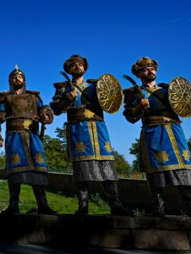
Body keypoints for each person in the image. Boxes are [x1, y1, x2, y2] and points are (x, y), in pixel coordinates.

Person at [123, 57, 191, 217]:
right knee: (155, 169)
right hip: (152, 132)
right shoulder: (133, 93)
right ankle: (159, 208)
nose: (150, 71)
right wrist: (139, 108)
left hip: (174, 130)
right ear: (138, 74)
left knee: (183, 167)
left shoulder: (168, 90)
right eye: (145, 69)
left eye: (152, 68)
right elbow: (130, 117)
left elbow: (184, 105)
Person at [51, 55, 133, 216]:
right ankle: (83, 206)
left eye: (80, 64)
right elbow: (56, 109)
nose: (77, 66)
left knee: (107, 167)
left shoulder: (96, 86)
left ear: (85, 68)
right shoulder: (63, 88)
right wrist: (68, 99)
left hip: (99, 129)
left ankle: (115, 205)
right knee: (82, 169)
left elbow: (110, 100)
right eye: (74, 65)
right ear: (68, 69)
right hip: (78, 130)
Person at [0, 66, 57, 215]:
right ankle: (13, 206)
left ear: (24, 80)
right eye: (14, 77)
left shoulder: (34, 97)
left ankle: (43, 205)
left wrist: (46, 115)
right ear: (10, 81)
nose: (17, 79)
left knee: (37, 171)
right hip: (14, 138)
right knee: (15, 172)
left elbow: (44, 109)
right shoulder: (6, 98)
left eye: (20, 77)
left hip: (33, 137)